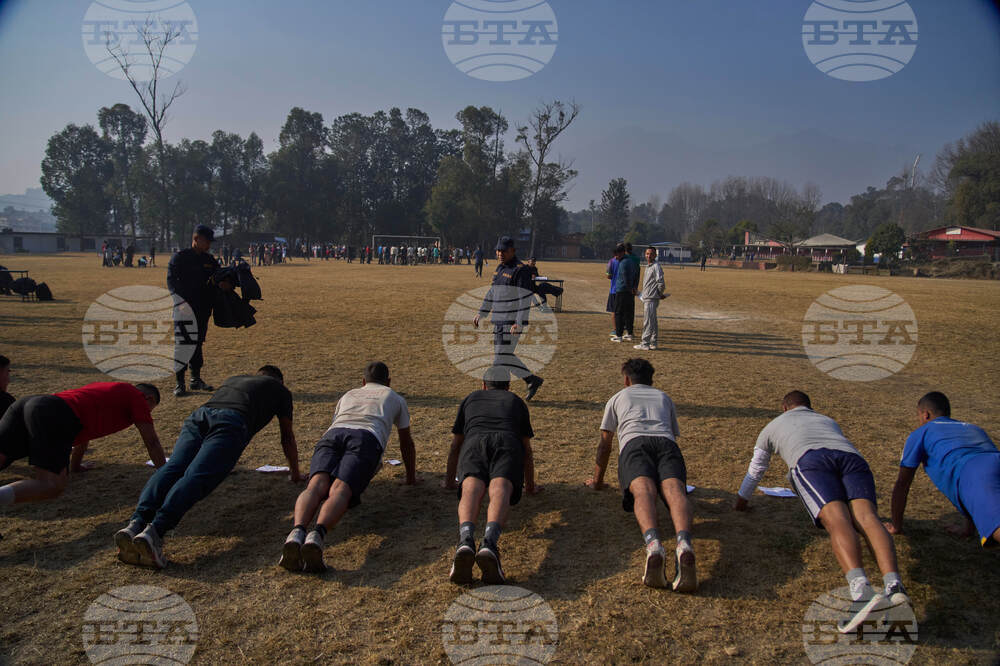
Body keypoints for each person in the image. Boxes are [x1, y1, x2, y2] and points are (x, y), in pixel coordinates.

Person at [735, 390, 909, 632]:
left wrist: (741, 501)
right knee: (868, 518)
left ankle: (861, 592)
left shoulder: (772, 426)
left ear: (785, 408)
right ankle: (895, 587)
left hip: (811, 461)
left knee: (837, 519)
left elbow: (756, 469)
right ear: (809, 406)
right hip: (852, 459)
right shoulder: (827, 420)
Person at [115, 366, 303, 569]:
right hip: (231, 422)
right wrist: (295, 473)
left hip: (199, 416)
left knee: (173, 468)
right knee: (198, 476)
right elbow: (287, 437)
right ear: (280, 381)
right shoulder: (281, 391)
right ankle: (155, 531)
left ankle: (135, 523)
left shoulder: (236, 377)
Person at [279, 361, 417, 573]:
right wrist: (410, 477)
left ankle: (296, 532)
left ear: (363, 382)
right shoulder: (395, 398)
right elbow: (405, 442)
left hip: (333, 434)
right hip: (365, 438)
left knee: (315, 485)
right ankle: (317, 536)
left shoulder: (349, 394)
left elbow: (336, 422)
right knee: (341, 489)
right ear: (389, 382)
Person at [587, 358, 696, 591]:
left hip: (634, 444)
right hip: (666, 444)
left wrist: (597, 481)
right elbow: (672, 435)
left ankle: (653, 543)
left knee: (643, 491)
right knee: (675, 490)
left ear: (626, 379)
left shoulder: (618, 398)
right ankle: (684, 543)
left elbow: (604, 445)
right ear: (651, 379)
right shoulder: (664, 397)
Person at [0, 382, 165, 513]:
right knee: (51, 485)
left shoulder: (111, 393)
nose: (148, 412)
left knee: (3, 456)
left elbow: (83, 436)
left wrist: (76, 466)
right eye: (152, 408)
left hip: (30, 404)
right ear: (149, 399)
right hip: (52, 413)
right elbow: (152, 442)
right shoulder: (136, 397)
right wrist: (166, 477)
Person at [444, 366, 538, 584]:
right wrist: (530, 485)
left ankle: (466, 540)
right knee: (501, 487)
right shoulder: (516, 401)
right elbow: (527, 450)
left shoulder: (471, 399)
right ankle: (489, 544)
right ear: (508, 386)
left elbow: (455, 445)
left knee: (471, 486)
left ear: (484, 385)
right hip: (507, 441)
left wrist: (449, 480)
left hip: (475, 441)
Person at [886, 391, 999, 548]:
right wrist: (969, 528)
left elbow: (902, 484)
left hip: (975, 470)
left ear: (925, 415)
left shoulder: (921, 433)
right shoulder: (974, 428)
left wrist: (896, 526)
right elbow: (977, 490)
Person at [474, 236, 545, 401]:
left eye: (504, 251)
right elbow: (492, 292)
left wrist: (518, 322)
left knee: (500, 358)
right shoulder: (499, 269)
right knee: (504, 357)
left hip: (511, 322)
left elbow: (524, 298)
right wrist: (482, 312)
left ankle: (494, 393)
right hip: (498, 320)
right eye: (498, 250)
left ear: (513, 250)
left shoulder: (521, 270)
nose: (500, 253)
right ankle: (531, 380)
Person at [168, 225, 223, 397]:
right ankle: (179, 382)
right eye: (206, 241)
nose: (209, 245)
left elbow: (218, 277)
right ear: (196, 239)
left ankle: (195, 379)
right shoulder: (180, 257)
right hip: (184, 309)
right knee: (183, 344)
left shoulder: (209, 260)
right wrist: (180, 302)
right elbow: (172, 282)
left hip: (202, 309)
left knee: (197, 343)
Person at [634, 247, 665, 351]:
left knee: (648, 322)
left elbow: (660, 282)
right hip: (647, 297)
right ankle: (653, 342)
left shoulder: (656, 266)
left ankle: (645, 343)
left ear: (655, 255)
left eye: (651, 254)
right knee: (653, 321)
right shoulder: (648, 266)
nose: (648, 256)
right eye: (647, 254)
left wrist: (659, 294)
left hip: (651, 298)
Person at [611, 244, 638, 343]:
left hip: (622, 291)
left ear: (622, 253)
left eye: (617, 255)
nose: (615, 257)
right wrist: (633, 288)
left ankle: (619, 335)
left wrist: (629, 288)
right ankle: (630, 333)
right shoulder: (631, 261)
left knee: (618, 312)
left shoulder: (623, 263)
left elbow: (625, 278)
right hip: (630, 291)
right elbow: (636, 274)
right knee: (629, 313)